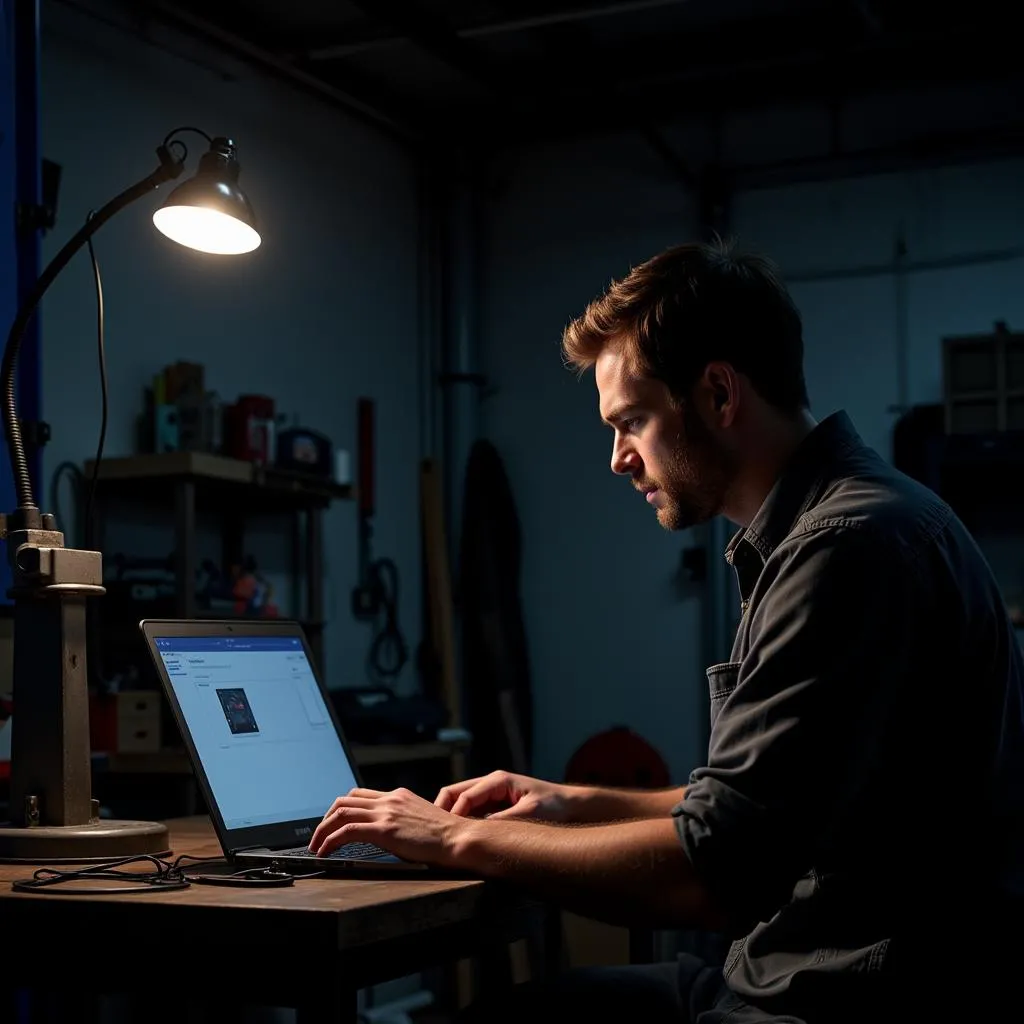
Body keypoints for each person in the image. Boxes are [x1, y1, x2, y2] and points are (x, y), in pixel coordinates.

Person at [309, 239, 1024, 1022]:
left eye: (633, 421)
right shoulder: (845, 526)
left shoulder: (846, 549)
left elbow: (715, 871)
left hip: (828, 998)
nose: (618, 459)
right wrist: (563, 804)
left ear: (719, 394)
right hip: (778, 972)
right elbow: (756, 808)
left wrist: (451, 841)